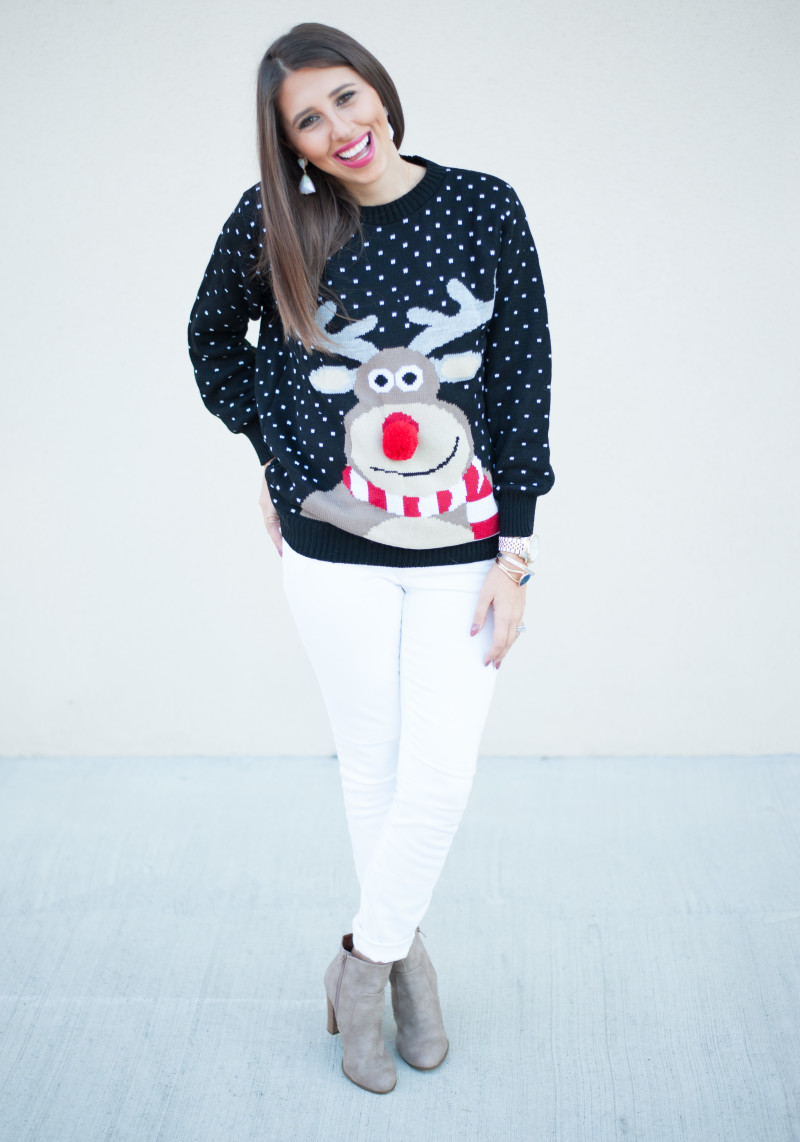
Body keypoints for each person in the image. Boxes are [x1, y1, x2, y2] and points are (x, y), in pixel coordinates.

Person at [188, 21, 554, 1095]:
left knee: (437, 775)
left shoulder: (482, 205)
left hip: (464, 544)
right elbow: (212, 340)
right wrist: (276, 454)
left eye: (346, 97)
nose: (340, 128)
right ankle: (409, 969)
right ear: (290, 144)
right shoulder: (274, 221)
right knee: (374, 765)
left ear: (379, 91)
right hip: (330, 548)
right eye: (309, 119)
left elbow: (523, 377)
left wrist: (516, 555)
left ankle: (363, 965)